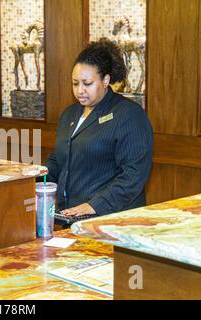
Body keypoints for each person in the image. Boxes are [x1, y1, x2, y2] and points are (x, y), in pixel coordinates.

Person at [45, 38, 153, 221]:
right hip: (71, 216)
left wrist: (94, 205)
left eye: (87, 84)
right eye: (75, 83)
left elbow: (133, 175)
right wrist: (35, 179)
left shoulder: (129, 114)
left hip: (111, 219)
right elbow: (60, 159)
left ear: (105, 80)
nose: (80, 90)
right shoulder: (69, 114)